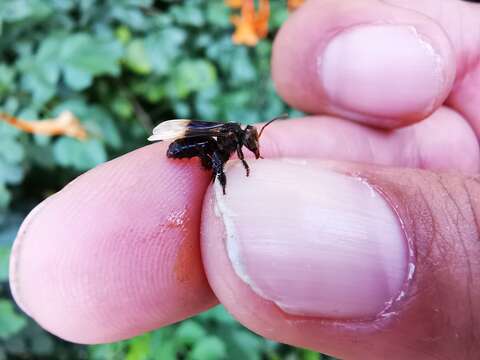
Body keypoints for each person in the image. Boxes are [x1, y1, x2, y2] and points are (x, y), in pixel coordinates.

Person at [9, 0, 480, 358]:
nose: (249, 150)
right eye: (249, 147)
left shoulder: (236, 140)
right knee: (214, 166)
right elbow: (192, 146)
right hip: (180, 146)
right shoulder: (227, 137)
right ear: (243, 139)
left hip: (185, 147)